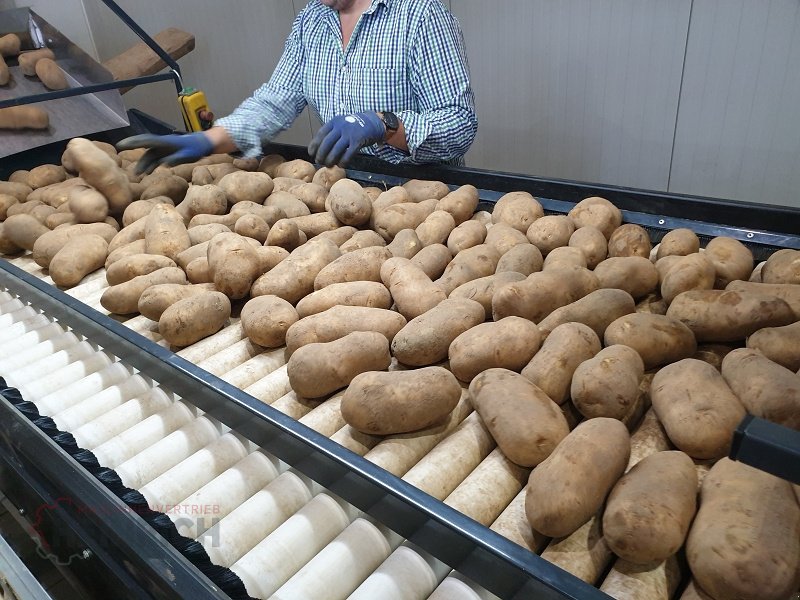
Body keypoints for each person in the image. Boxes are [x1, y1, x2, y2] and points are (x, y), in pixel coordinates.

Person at [120, 0, 478, 174]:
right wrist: (208, 139)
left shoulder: (420, 16)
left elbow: (460, 125)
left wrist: (383, 124)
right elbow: (275, 101)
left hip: (426, 190)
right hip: (344, 186)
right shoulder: (312, 19)